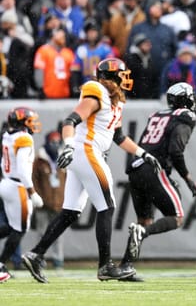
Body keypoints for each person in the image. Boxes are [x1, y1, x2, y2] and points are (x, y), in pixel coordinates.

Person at [21, 58, 162, 284]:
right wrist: (67, 144)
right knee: (107, 206)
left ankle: (36, 253)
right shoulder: (96, 90)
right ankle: (105, 265)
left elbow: (118, 137)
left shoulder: (114, 100)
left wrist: (143, 154)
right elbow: (70, 120)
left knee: (71, 211)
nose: (125, 79)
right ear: (109, 77)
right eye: (121, 75)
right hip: (86, 150)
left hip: (84, 154)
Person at [119, 82, 196, 282]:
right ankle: (142, 234)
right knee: (177, 217)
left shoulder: (157, 115)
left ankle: (125, 266)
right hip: (154, 168)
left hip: (136, 168)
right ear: (186, 99)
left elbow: (143, 145)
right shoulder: (186, 117)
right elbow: (175, 151)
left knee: (144, 221)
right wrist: (188, 178)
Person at [0, 107, 44, 283]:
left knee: (12, 227)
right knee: (20, 229)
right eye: (29, 120)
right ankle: (1, 264)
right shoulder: (24, 138)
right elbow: (24, 169)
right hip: (18, 186)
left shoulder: (7, 135)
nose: (32, 123)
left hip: (6, 182)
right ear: (21, 121)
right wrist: (32, 192)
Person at [32, 131, 66, 270]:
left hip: (58, 203)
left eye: (57, 141)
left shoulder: (64, 158)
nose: (55, 145)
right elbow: (34, 180)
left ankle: (58, 259)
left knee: (57, 233)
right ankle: (40, 258)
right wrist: (39, 198)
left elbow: (68, 181)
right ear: (46, 142)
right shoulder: (39, 160)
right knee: (42, 233)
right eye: (52, 141)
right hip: (43, 203)